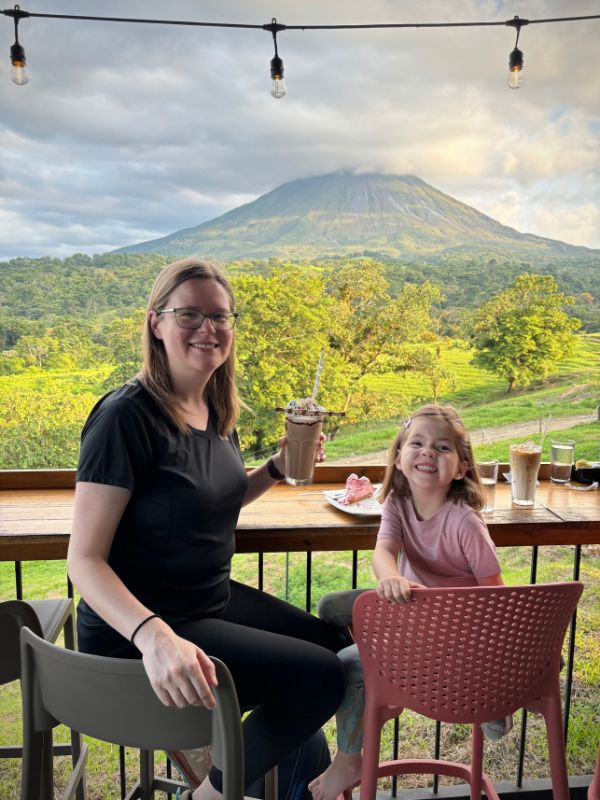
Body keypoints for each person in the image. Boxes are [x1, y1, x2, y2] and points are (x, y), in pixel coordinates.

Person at [67, 257, 349, 800]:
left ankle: (287, 785)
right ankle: (214, 793)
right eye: (189, 314)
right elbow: (84, 559)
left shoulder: (214, 408)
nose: (207, 329)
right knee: (321, 678)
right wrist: (153, 635)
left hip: (204, 602)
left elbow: (217, 502)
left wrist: (276, 467)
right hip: (140, 629)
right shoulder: (125, 417)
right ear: (156, 322)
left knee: (330, 644)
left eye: (219, 317)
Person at [308, 404, 505, 800]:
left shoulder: (464, 521)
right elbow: (383, 552)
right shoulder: (397, 504)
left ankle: (351, 754)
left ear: (462, 468)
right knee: (332, 607)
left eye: (442, 448)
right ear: (399, 458)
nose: (428, 452)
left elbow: (495, 597)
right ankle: (380, 686)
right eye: (417, 443)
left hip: (457, 635)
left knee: (346, 665)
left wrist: (491, 670)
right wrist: (393, 577)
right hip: (413, 614)